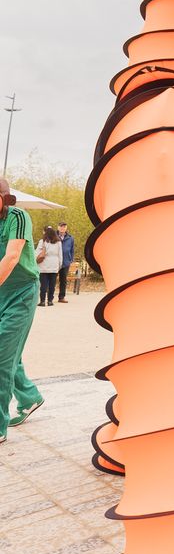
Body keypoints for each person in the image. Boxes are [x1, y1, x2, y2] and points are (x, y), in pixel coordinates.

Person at [0, 179, 44, 444]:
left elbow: (12, 256)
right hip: (1, 293)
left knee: (1, 355)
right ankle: (29, 397)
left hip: (22, 293)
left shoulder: (17, 216)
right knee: (8, 352)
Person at [35, 226, 62, 307]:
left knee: (43, 285)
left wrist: (35, 262)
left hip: (44, 266)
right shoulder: (58, 242)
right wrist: (59, 266)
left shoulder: (42, 241)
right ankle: (50, 301)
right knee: (52, 285)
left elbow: (37, 253)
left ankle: (42, 301)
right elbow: (60, 255)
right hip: (54, 265)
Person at [56, 221, 75, 303]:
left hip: (66, 262)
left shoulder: (70, 238)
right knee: (52, 280)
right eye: (61, 226)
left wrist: (71, 259)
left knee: (63, 281)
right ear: (58, 227)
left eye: (64, 227)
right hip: (55, 262)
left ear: (66, 228)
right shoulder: (53, 236)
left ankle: (61, 297)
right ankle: (49, 298)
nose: (62, 228)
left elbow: (72, 250)